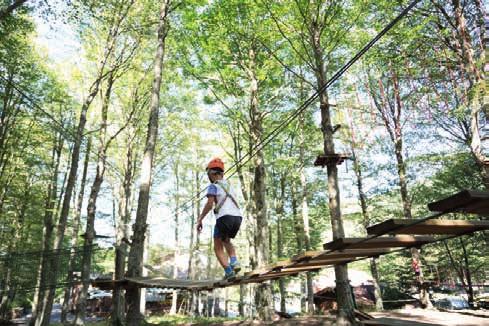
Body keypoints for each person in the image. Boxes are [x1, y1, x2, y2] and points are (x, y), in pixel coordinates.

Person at [197, 157, 243, 279]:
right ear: (222, 173)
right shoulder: (231, 186)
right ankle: (234, 261)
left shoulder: (213, 186)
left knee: (217, 247)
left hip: (224, 218)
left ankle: (229, 272)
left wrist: (200, 218)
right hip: (237, 218)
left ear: (211, 174)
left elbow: (209, 204)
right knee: (226, 240)